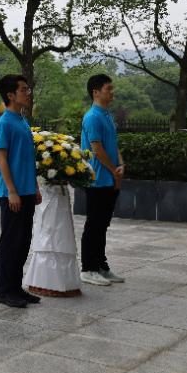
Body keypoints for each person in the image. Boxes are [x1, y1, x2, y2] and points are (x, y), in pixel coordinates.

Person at [0, 74, 42, 308]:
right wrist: (12, 191)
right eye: (24, 89)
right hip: (11, 193)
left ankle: (15, 287)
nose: (28, 93)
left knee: (23, 241)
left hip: (26, 191)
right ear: (11, 95)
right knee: (10, 242)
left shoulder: (22, 120)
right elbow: (1, 158)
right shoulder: (5, 122)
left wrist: (35, 187)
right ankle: (3, 291)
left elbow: (28, 159)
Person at [80, 74, 126, 287]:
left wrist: (121, 163)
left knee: (102, 225)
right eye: (108, 88)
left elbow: (112, 145)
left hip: (110, 178)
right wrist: (114, 170)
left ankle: (101, 266)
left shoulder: (107, 115)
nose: (112, 92)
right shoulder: (92, 117)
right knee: (94, 225)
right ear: (95, 92)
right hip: (97, 179)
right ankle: (88, 269)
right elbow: (97, 150)